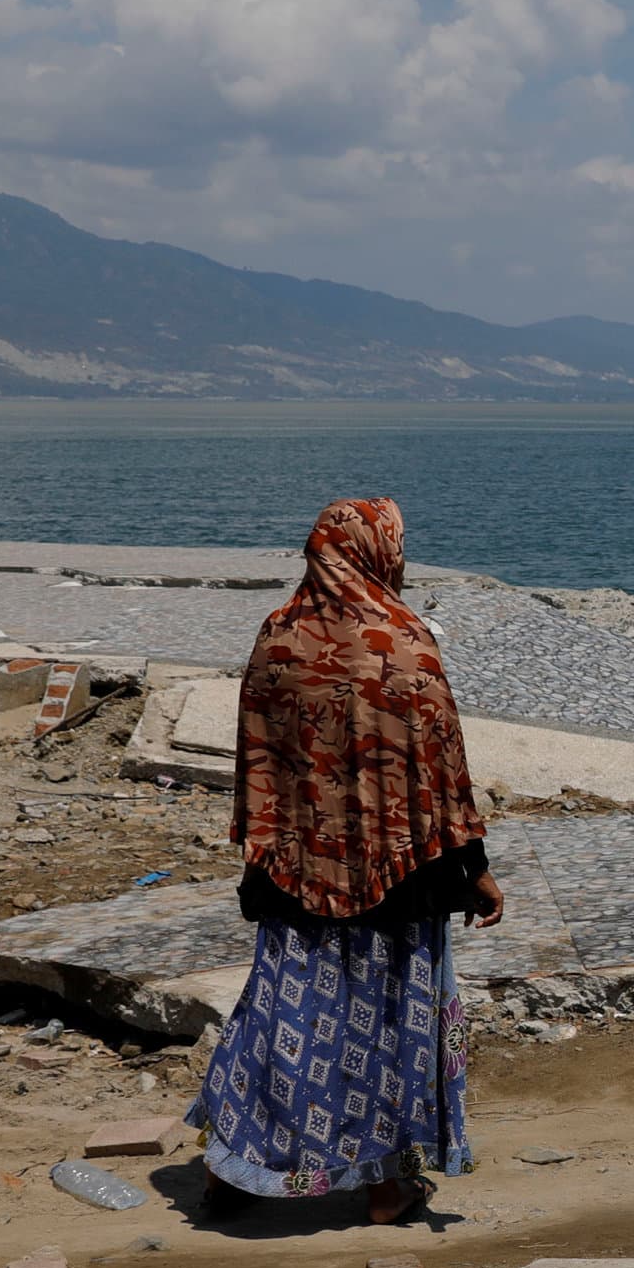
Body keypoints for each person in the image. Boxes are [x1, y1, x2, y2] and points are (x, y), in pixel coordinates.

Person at [188, 498, 503, 1224]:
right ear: (375, 551)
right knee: (394, 1020)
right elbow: (441, 774)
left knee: (281, 1016)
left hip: (292, 867)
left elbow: (258, 761)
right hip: (403, 873)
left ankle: (235, 1169)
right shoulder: (402, 639)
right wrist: (475, 870)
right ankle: (389, 1184)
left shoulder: (277, 636)